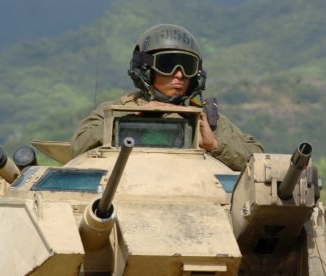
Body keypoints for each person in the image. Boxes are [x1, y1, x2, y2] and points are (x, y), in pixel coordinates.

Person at [71, 24, 264, 171]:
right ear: (146, 71)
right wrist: (126, 121)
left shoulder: (206, 119)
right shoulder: (117, 110)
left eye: (186, 67)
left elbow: (259, 163)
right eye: (168, 64)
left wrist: (214, 145)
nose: (179, 74)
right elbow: (78, 147)